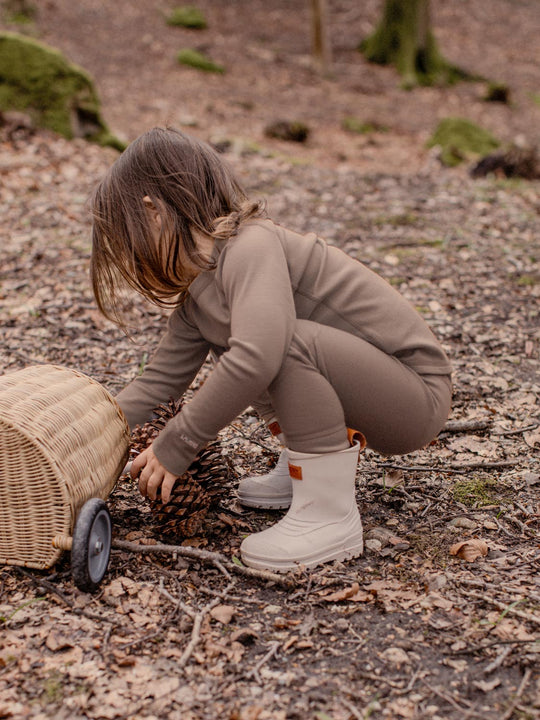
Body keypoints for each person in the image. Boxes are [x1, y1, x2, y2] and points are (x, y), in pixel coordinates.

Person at [90, 126, 452, 572]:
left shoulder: (250, 245)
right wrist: (87, 433)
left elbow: (259, 356)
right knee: (263, 342)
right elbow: (156, 384)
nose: (129, 257)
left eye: (127, 238)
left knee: (270, 345)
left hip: (412, 396)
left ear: (154, 212)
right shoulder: (198, 299)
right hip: (369, 390)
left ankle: (328, 512)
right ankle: (306, 468)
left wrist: (178, 443)